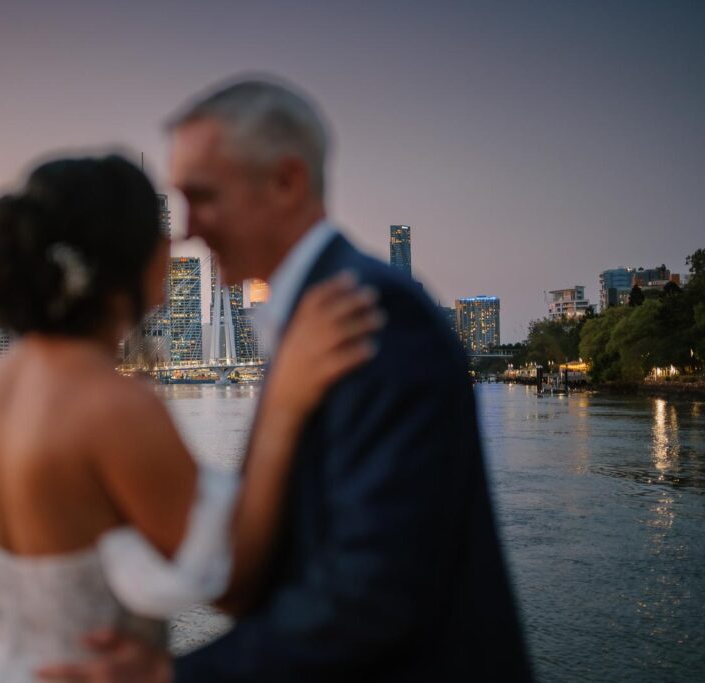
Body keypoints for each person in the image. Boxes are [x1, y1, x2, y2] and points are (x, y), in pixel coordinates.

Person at [38, 79, 531, 682]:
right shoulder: (310, 317)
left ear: (287, 182)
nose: (188, 227)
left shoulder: (371, 314)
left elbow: (372, 594)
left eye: (204, 196)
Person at [0, 154, 384, 683]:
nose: (175, 247)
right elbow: (235, 577)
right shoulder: (112, 405)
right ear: (124, 261)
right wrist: (283, 404)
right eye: (160, 233)